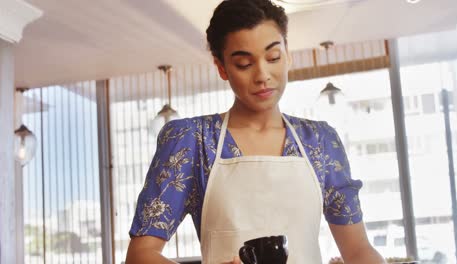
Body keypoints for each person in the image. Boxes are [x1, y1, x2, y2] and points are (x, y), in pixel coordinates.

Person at [126, 0, 386, 263]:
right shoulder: (192, 140)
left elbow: (358, 250)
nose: (262, 75)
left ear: (288, 54)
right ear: (221, 68)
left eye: (273, 57)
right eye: (244, 64)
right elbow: (140, 255)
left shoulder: (320, 141)